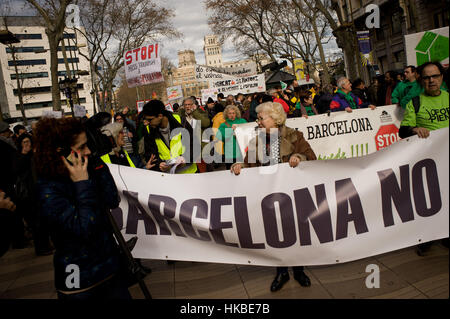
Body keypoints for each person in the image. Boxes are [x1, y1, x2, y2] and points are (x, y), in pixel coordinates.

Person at [33, 117, 131, 299]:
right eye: (81, 148)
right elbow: (84, 228)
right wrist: (82, 185)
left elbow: (112, 200)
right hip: (79, 278)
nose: (88, 151)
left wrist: (98, 167)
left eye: (88, 145)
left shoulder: (90, 166)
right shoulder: (47, 186)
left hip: (110, 267)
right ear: (60, 151)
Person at [231, 101, 316, 292]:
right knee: (276, 235)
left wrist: (299, 158)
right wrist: (240, 167)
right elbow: (249, 165)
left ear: (275, 119)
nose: (258, 122)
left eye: (261, 118)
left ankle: (299, 270)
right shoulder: (256, 141)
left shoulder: (295, 137)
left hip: (292, 195)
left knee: (295, 233)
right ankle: (282, 272)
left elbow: (311, 157)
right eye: (258, 118)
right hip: (268, 196)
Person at [399, 62, 449, 256]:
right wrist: (414, 129)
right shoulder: (415, 103)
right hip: (429, 164)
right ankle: (427, 238)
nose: (431, 80)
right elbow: (402, 131)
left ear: (441, 77)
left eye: (435, 76)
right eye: (427, 77)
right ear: (421, 80)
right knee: (430, 202)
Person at [142, 100, 198, 174]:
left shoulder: (181, 122)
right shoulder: (148, 130)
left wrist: (185, 159)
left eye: (150, 119)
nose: (146, 123)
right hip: (168, 178)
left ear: (160, 116)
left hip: (189, 174)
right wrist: (159, 164)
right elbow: (150, 156)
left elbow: (195, 146)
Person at [217, 105, 247, 169]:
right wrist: (231, 130)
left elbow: (248, 133)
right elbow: (221, 137)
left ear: (236, 113)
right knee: (230, 172)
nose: (232, 115)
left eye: (233, 113)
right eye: (229, 113)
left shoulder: (242, 121)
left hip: (242, 152)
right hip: (230, 153)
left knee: (244, 171)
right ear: (226, 114)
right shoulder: (223, 125)